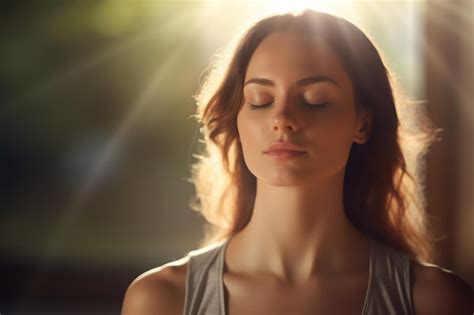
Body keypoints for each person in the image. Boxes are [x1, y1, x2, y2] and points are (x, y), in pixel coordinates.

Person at [121, 10, 473, 315]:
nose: (283, 119)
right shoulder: (161, 301)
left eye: (315, 100)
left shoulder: (432, 302)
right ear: (236, 121)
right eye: (260, 100)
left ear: (362, 123)